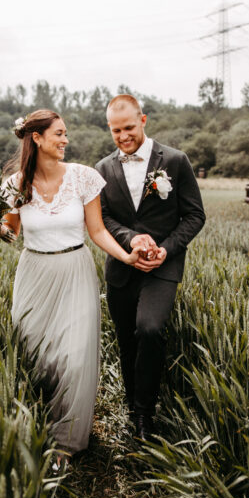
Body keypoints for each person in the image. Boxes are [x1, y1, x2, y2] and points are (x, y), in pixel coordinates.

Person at [1, 109, 140, 469]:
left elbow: (98, 231)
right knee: (36, 357)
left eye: (65, 133)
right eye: (59, 133)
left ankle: (66, 441)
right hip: (34, 274)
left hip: (76, 270)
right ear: (37, 138)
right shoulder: (16, 184)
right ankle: (34, 426)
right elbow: (10, 233)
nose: (66, 140)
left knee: (75, 358)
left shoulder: (83, 177)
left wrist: (126, 256)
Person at [94, 94, 206, 441]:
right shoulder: (103, 169)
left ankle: (145, 415)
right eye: (116, 131)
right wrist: (130, 239)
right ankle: (133, 408)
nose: (123, 136)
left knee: (150, 329)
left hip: (162, 268)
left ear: (143, 120)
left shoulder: (175, 161)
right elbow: (103, 218)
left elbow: (195, 215)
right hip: (121, 269)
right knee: (127, 340)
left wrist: (166, 249)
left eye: (129, 127)